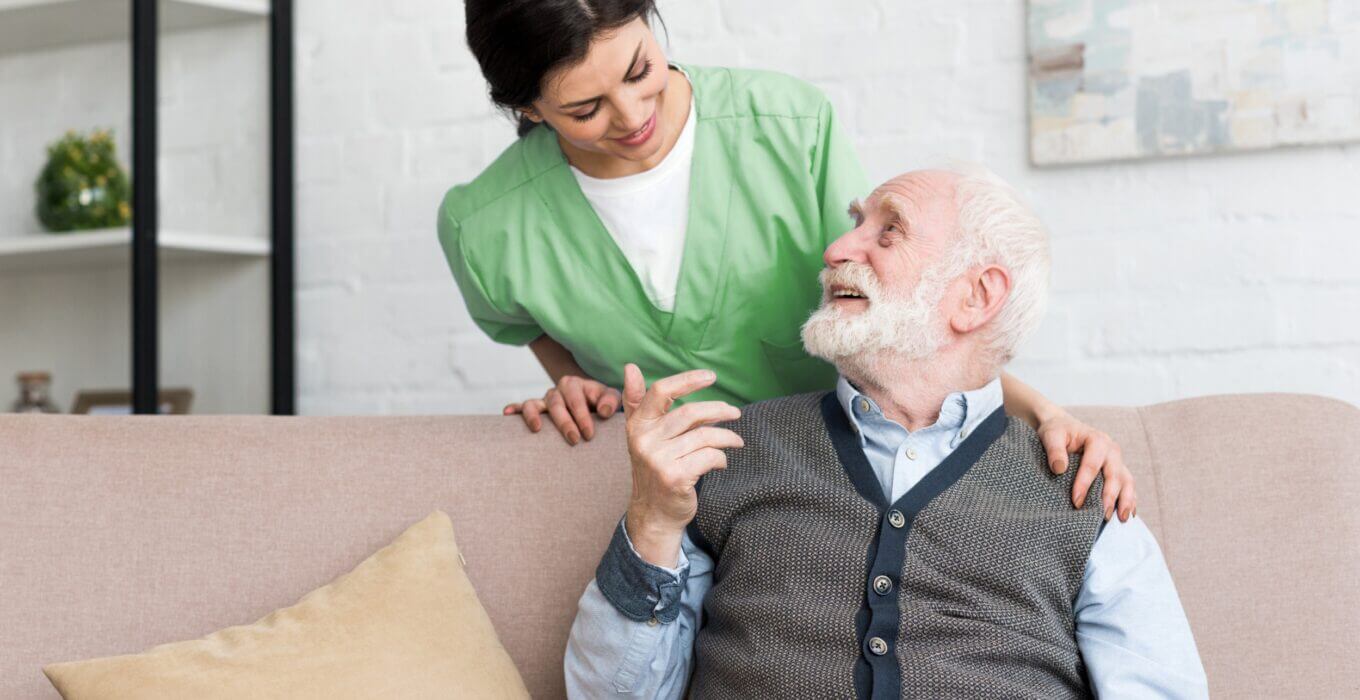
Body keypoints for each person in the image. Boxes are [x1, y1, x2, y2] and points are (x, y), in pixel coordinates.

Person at [441, 0, 1137, 522]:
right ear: (527, 109)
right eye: (586, 107)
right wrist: (576, 386)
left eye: (640, 70)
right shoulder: (484, 226)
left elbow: (898, 307)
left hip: (850, 481)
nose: (630, 117)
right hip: (686, 508)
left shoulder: (790, 126)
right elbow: (525, 322)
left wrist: (1042, 410)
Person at [563, 166, 1208, 698]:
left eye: (889, 231)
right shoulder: (728, 452)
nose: (837, 251)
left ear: (976, 297)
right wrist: (650, 522)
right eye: (854, 225)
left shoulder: (1085, 492)